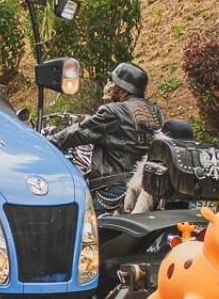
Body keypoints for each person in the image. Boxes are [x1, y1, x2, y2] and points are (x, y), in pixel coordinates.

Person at [51, 61, 164, 211]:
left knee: (80, 218)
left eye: (113, 82)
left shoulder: (113, 111)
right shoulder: (155, 112)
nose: (109, 86)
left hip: (114, 188)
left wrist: (47, 143)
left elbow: (79, 132)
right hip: (146, 188)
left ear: (122, 88)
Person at [123, 117, 195, 213]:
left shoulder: (159, 155)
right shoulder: (192, 158)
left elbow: (144, 187)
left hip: (159, 212)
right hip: (186, 209)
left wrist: (133, 207)